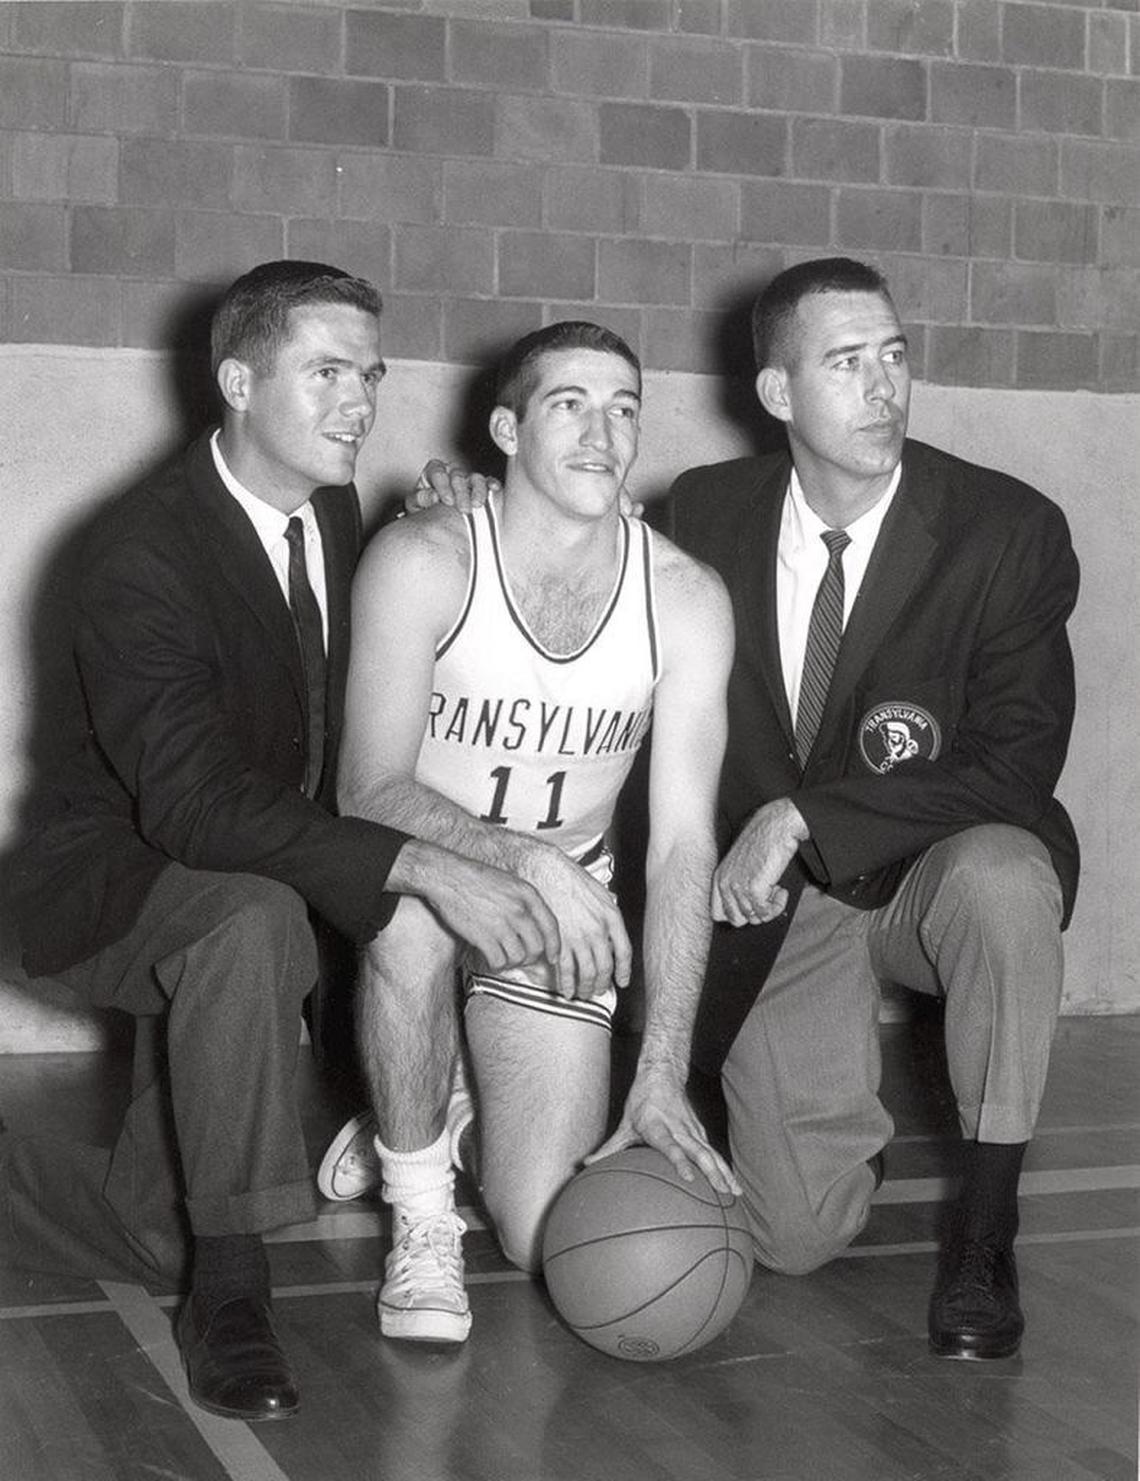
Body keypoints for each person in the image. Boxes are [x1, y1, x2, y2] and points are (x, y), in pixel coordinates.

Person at [413, 258, 1079, 1363]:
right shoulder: (708, 511)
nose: (884, 387)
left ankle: (985, 1229)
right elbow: (577, 558)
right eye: (846, 362)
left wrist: (807, 818)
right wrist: (469, 514)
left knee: (1007, 878)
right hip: (779, 909)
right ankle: (830, 1136)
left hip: (935, 872)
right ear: (777, 393)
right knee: (794, 1237)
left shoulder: (1004, 528)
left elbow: (1017, 763)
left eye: (895, 356)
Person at [0, 261, 560, 1421]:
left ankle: (161, 1236)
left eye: (370, 373)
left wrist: (445, 536)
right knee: (250, 924)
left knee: (161, 1218)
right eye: (326, 372)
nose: (359, 400)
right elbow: (195, 804)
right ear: (239, 381)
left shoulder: (337, 512)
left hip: (252, 883)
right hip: (114, 878)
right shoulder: (139, 552)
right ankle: (235, 1296)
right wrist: (421, 864)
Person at [319, 320, 737, 1344]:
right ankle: (420, 1219)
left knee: (541, 1224)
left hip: (565, 890)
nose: (604, 432)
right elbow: (367, 788)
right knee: (413, 916)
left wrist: (663, 1063)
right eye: (570, 404)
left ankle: (431, 1107)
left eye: (625, 408)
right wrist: (528, 859)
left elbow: (683, 843)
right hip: (425, 861)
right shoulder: (423, 556)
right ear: (506, 427)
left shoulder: (684, 598)